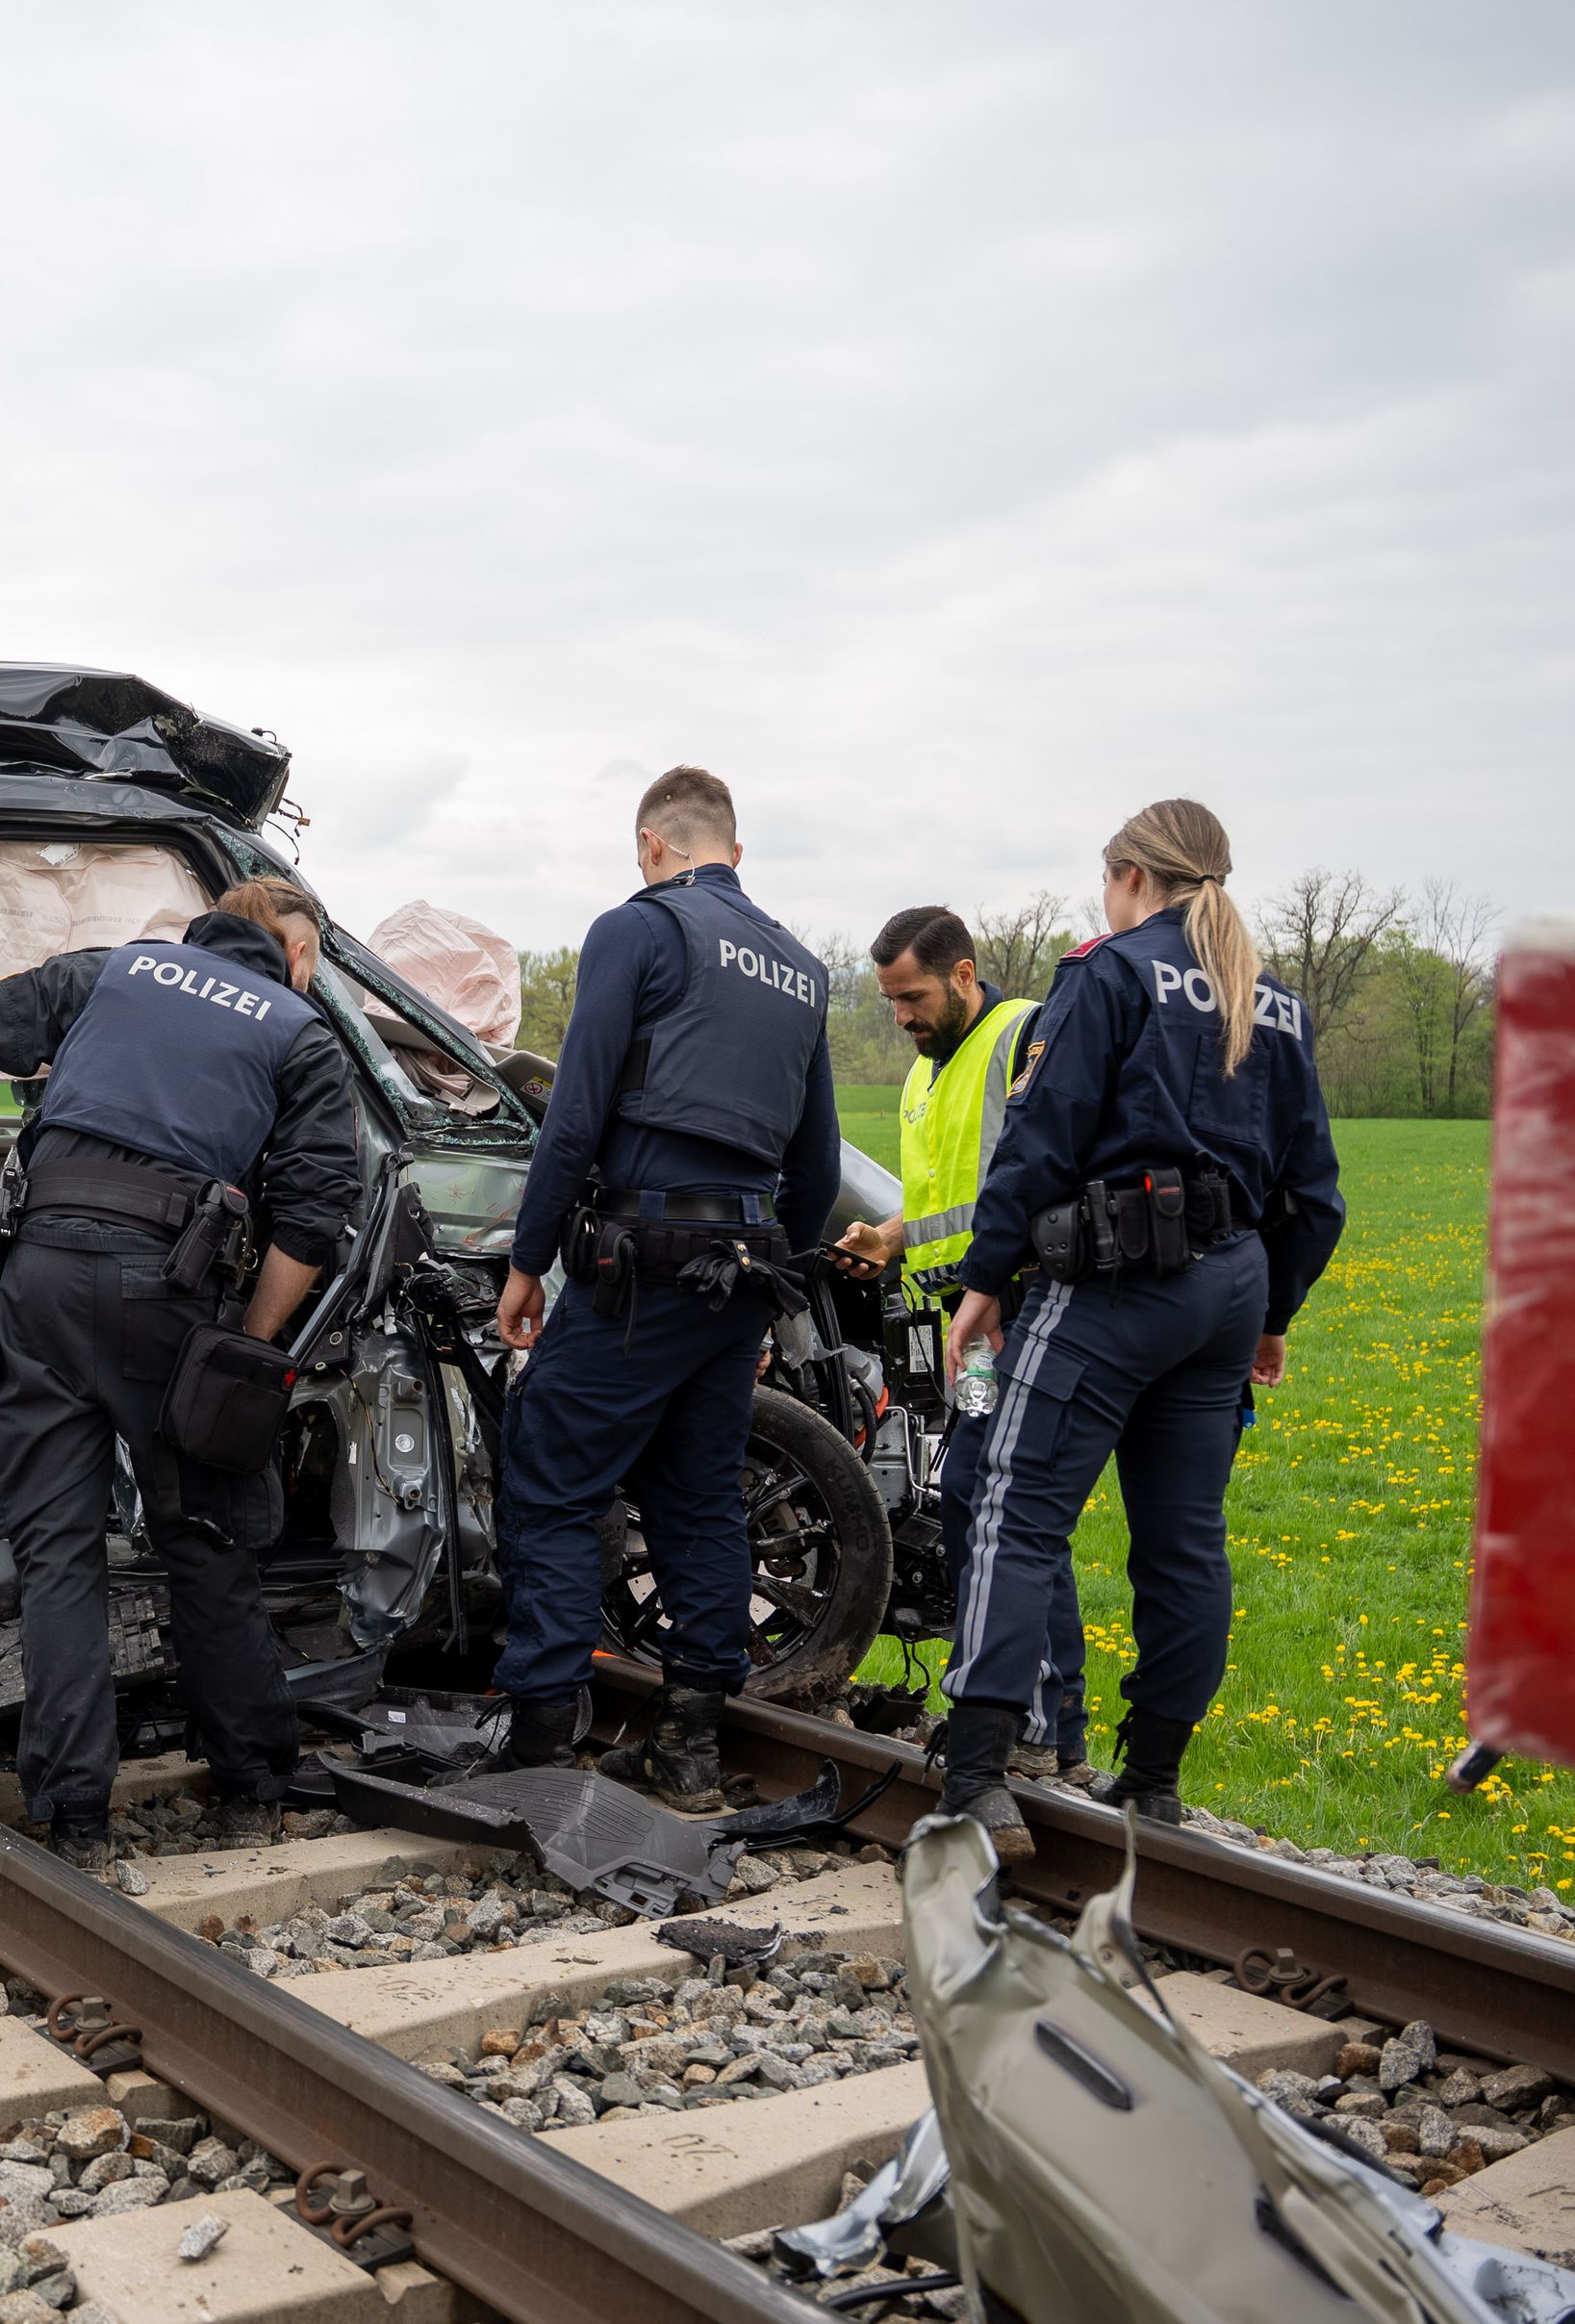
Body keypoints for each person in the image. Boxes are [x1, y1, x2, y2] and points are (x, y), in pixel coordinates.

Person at [0, 876, 366, 1870]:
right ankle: (251, 1789)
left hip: (38, 1273)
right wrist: (243, 1344)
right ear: (294, 954)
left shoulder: (107, 970)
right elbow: (317, 1212)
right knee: (203, 1537)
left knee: (60, 1553)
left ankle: (74, 1819)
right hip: (170, 1284)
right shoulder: (299, 1031)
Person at [933, 799, 1345, 1856]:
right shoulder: (1276, 1002)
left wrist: (983, 1281)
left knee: (1012, 1513)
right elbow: (1316, 1190)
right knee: (1183, 1541)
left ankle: (974, 1775)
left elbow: (1039, 1138)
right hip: (1229, 1293)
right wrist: (1272, 1313)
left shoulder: (1109, 973)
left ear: (1129, 876)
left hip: (1112, 1285)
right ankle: (1151, 1781)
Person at [495, 768, 842, 1800]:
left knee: (551, 1480)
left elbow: (576, 1113)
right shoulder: (800, 968)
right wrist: (776, 1271)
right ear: (734, 853)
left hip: (638, 1266)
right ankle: (690, 1744)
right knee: (697, 1500)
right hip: (742, 1270)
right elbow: (815, 1168)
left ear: (652, 845)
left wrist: (528, 1258)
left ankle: (539, 1744)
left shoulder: (639, 928)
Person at [836, 906, 1087, 1783]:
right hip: (966, 1330)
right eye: (891, 1002)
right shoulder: (922, 1077)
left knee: (1005, 1504)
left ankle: (1047, 1718)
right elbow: (958, 1198)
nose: (901, 1016)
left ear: (965, 974)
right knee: (979, 1500)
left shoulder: (1022, 1036)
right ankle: (1031, 1710)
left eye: (913, 996)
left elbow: (1033, 1182)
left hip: (1018, 1309)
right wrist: (896, 1238)